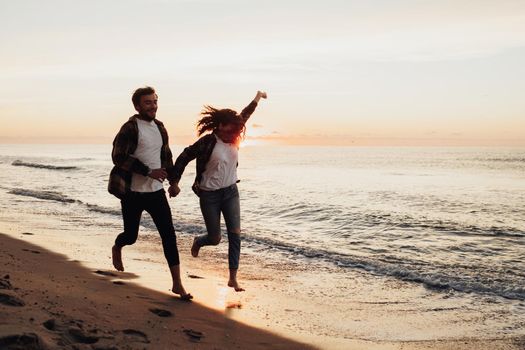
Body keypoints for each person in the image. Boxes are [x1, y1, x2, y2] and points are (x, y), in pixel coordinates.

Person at [169, 90, 267, 291]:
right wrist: (175, 181)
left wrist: (257, 97)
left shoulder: (233, 135)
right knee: (215, 238)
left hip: (231, 192)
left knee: (235, 234)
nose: (234, 133)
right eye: (230, 129)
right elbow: (184, 156)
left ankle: (233, 278)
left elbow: (246, 114)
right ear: (220, 125)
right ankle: (199, 241)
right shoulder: (207, 142)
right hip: (209, 195)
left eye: (235, 130)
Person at [108, 86, 192, 300]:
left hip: (156, 192)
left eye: (155, 101)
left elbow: (167, 157)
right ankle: (118, 246)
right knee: (131, 236)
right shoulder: (129, 128)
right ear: (137, 106)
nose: (153, 105)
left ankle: (177, 284)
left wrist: (173, 182)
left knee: (169, 235)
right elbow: (118, 156)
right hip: (133, 193)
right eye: (148, 102)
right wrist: (147, 171)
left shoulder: (160, 127)